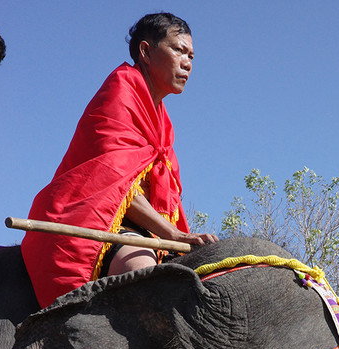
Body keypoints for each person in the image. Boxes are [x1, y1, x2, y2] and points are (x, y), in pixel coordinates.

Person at [22, 12, 217, 309]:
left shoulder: (163, 120)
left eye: (191, 55)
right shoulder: (121, 91)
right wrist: (174, 234)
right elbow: (116, 188)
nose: (187, 62)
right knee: (148, 279)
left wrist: (179, 239)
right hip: (96, 222)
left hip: (146, 230)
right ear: (146, 52)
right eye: (178, 50)